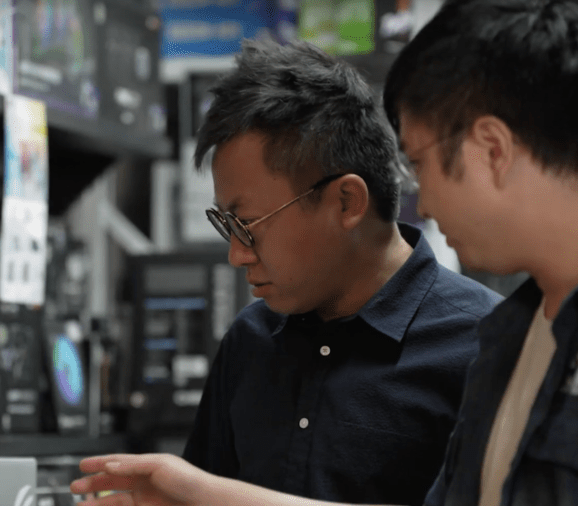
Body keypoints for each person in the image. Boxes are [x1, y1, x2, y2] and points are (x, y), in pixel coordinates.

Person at [70, 1, 578, 505]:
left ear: (493, 150)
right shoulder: (523, 331)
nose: (424, 199)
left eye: (420, 163)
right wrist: (199, 494)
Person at [185, 36, 499, 505]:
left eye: (247, 224)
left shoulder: (486, 346)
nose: (237, 254)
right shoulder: (250, 342)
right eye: (225, 224)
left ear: (346, 202)